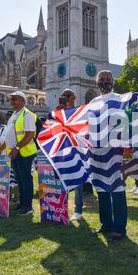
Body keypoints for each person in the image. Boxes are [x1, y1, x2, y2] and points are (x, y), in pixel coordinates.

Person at [90, 70, 128, 241]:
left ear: (113, 82)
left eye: (108, 79)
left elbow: (128, 122)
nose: (105, 81)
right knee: (101, 189)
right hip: (97, 152)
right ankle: (106, 224)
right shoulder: (93, 102)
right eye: (101, 79)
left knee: (117, 189)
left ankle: (119, 228)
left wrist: (127, 149)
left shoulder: (121, 99)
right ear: (96, 83)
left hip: (116, 151)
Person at [0, 91, 38, 216]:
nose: (12, 102)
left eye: (14, 99)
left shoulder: (27, 114)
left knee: (26, 180)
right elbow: (8, 135)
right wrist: (1, 148)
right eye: (11, 100)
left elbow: (30, 134)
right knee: (19, 180)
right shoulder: (14, 115)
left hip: (24, 152)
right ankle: (22, 204)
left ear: (22, 100)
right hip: (15, 152)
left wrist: (16, 147)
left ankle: (28, 207)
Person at [59, 89, 86, 222]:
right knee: (61, 180)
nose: (66, 98)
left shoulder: (78, 112)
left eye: (68, 96)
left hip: (76, 150)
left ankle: (78, 210)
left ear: (74, 97)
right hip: (61, 151)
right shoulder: (58, 113)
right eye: (64, 96)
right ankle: (61, 208)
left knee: (78, 182)